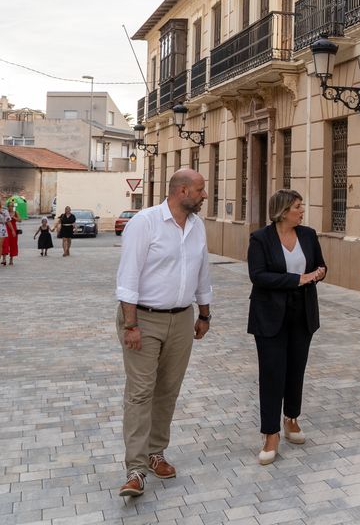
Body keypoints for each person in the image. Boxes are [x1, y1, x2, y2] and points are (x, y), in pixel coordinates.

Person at [114, 169, 213, 499]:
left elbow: (202, 272)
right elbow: (128, 276)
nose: (204, 195)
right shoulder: (145, 223)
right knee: (141, 391)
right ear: (183, 190)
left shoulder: (197, 226)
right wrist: (131, 325)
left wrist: (204, 313)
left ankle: (156, 453)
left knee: (168, 389)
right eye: (200, 189)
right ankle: (136, 470)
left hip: (182, 320)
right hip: (143, 318)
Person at [247, 189, 327, 465]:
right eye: (297, 206)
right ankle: (271, 433)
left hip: (302, 312)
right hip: (269, 315)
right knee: (272, 373)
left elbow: (320, 265)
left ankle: (291, 418)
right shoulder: (260, 238)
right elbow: (257, 276)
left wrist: (318, 274)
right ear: (282, 211)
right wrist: (298, 279)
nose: (302, 211)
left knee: (296, 369)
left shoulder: (308, 234)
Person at [3, 201, 20, 266]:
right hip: (6, 229)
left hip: (13, 229)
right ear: (7, 207)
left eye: (12, 206)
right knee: (5, 243)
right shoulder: (5, 213)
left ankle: (11, 259)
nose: (10, 207)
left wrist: (14, 217)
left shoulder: (16, 212)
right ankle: (4, 259)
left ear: (13, 207)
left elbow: (20, 220)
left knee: (13, 244)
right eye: (9, 206)